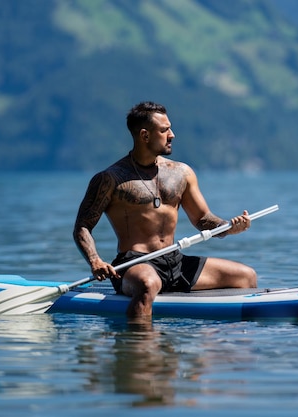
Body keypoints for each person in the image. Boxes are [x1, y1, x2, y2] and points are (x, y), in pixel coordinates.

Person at [73, 101, 257, 319]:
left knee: (246, 276)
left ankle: (215, 340)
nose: (172, 135)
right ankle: (136, 349)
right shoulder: (110, 179)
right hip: (134, 264)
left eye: (170, 128)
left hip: (174, 260)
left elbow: (202, 219)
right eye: (164, 130)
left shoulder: (181, 172)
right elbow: (83, 226)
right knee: (148, 284)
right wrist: (95, 260)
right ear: (145, 135)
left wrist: (228, 228)